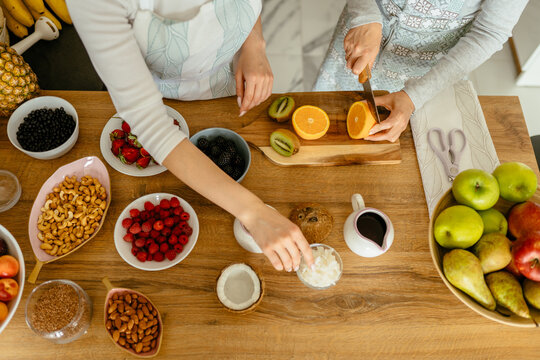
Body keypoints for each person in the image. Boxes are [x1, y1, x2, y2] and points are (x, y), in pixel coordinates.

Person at [67, 0, 314, 272]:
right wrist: (253, 212)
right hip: (160, 90)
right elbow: (152, 124)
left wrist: (253, 45)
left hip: (225, 78)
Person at [314, 0, 528, 142]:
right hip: (362, 36)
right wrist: (365, 17)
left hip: (431, 73)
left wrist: (414, 97)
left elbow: (489, 32)